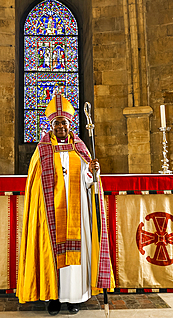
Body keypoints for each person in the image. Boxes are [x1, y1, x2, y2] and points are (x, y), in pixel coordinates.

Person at [17, 94, 115, 315]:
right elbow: (34, 184)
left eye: (64, 123)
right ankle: (53, 297)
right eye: (57, 123)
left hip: (77, 211)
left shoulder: (80, 148)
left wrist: (93, 171)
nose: (61, 126)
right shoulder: (41, 150)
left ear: (70, 125)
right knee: (51, 253)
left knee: (77, 258)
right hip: (50, 212)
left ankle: (74, 299)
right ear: (50, 126)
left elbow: (90, 181)